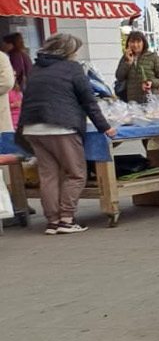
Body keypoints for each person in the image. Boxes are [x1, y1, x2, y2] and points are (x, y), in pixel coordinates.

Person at [15, 33, 115, 233]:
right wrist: (105, 127)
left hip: (32, 127)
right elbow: (88, 101)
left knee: (48, 176)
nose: (76, 54)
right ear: (67, 51)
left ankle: (52, 222)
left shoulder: (36, 68)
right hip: (62, 126)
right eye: (75, 50)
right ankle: (66, 220)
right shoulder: (72, 68)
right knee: (76, 174)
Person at [113, 30, 159, 102]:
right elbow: (119, 76)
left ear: (143, 43)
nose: (135, 45)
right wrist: (128, 63)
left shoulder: (153, 57)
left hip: (151, 100)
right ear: (128, 43)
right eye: (132, 42)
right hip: (132, 101)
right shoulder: (125, 58)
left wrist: (151, 82)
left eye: (138, 42)